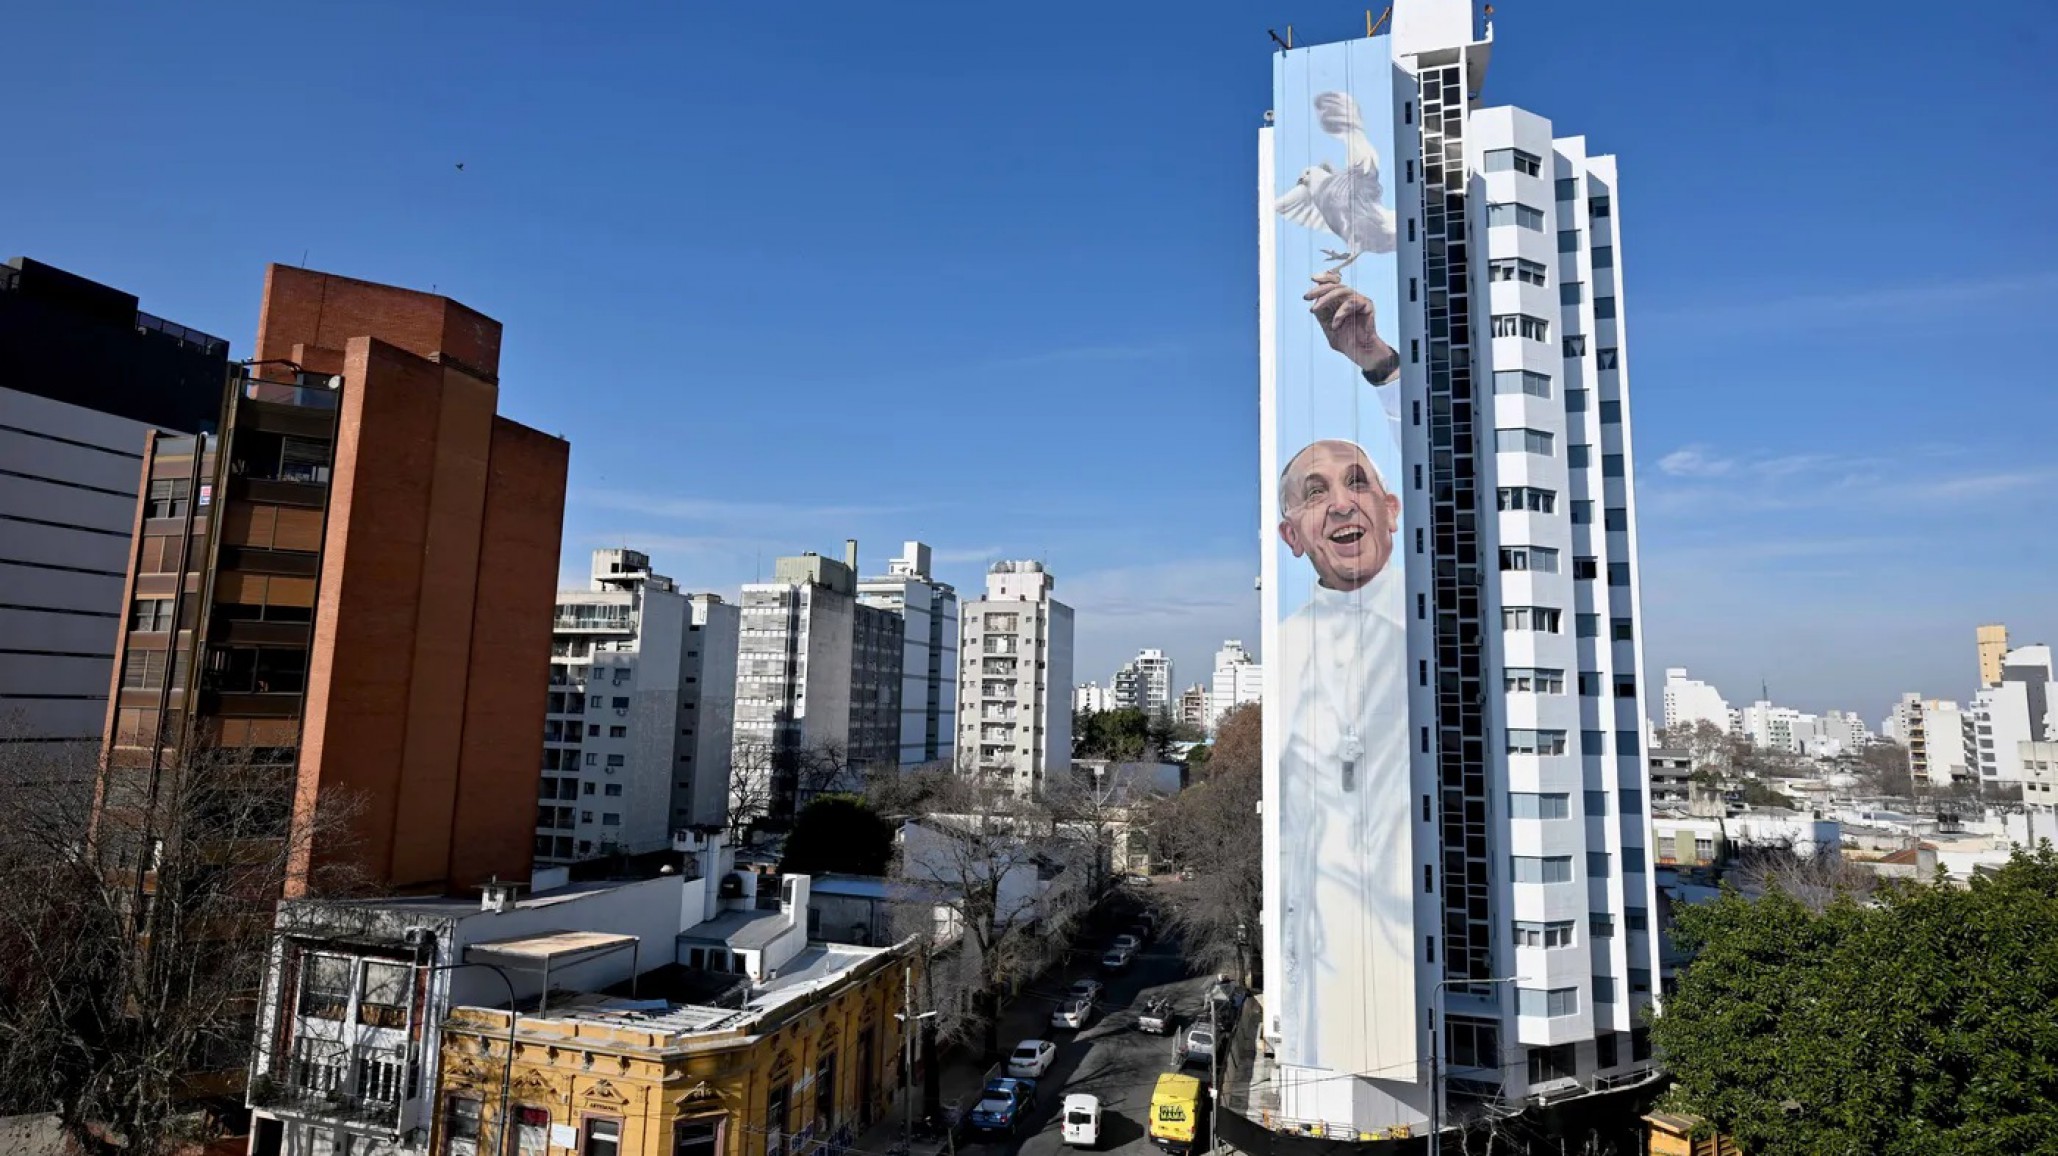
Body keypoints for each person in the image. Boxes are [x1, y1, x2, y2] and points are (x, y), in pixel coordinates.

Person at [1273, 438, 1414, 1074]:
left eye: (1355, 484)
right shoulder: (1285, 649)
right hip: (1333, 952)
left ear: (1389, 509)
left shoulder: (1438, 617)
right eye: (1315, 493)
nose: (1338, 505)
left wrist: (1382, 367)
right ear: (1291, 536)